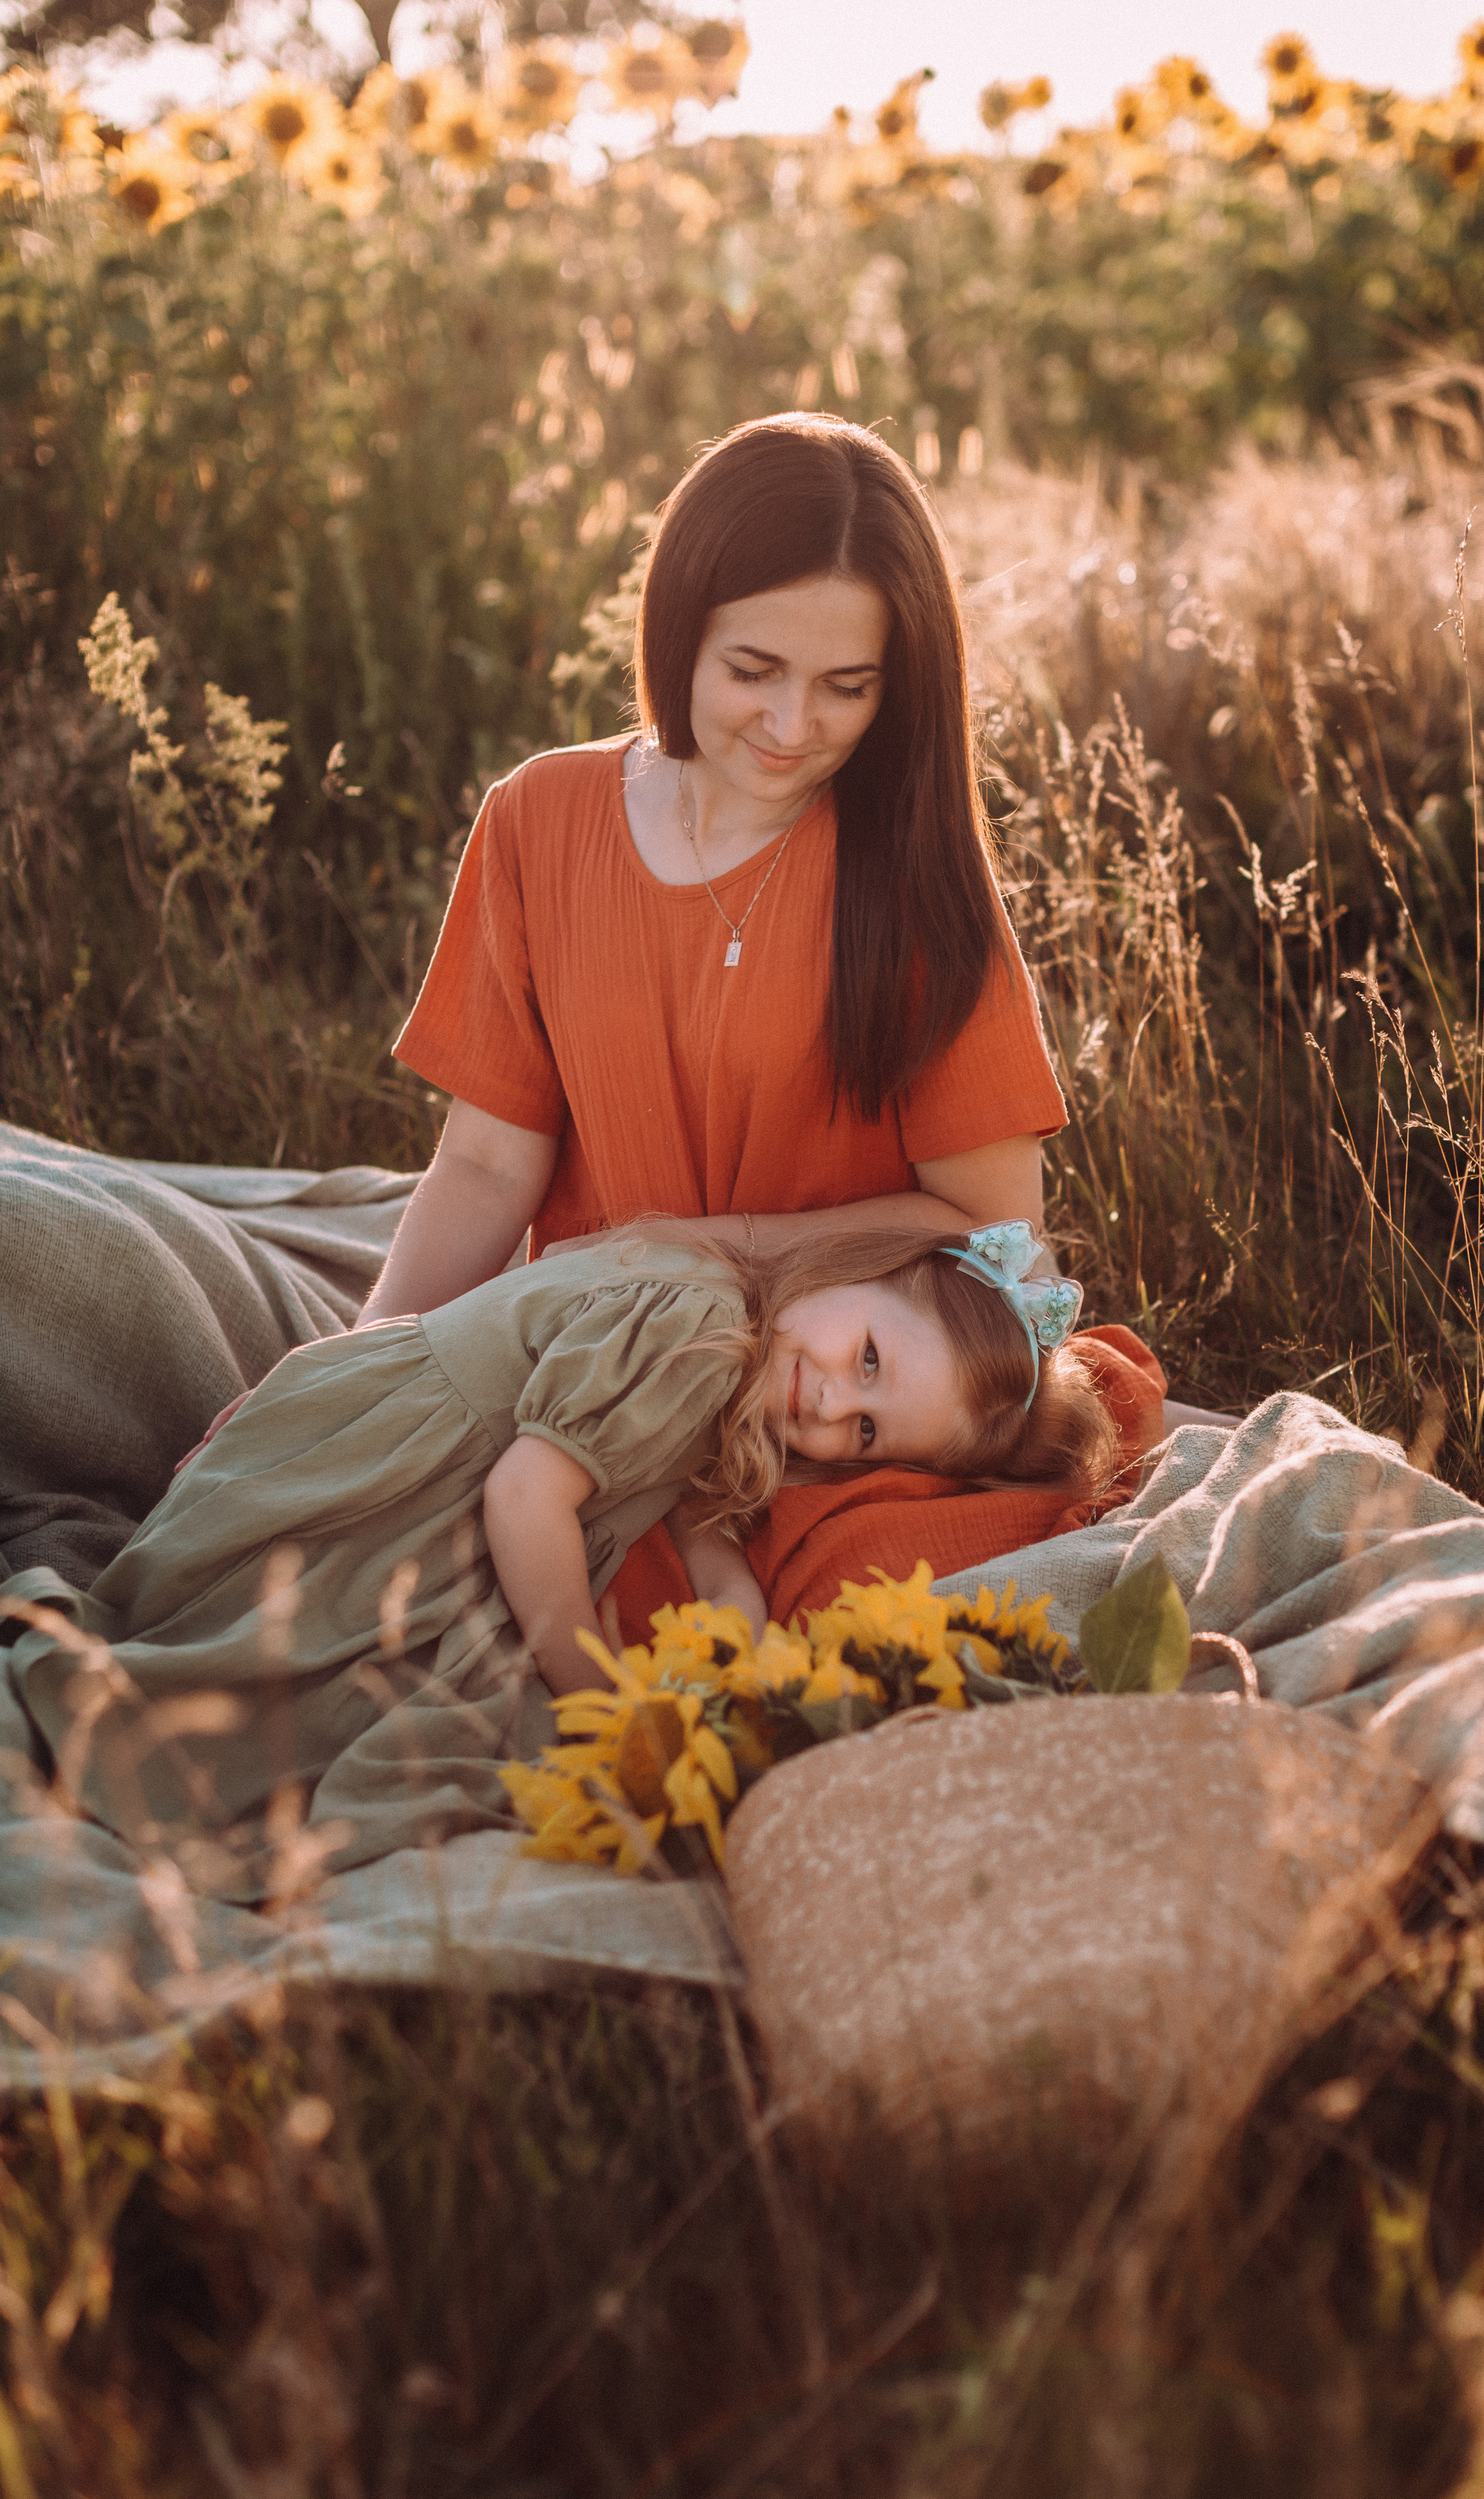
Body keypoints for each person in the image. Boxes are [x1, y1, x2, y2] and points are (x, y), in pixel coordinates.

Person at [3, 1223, 1111, 1903]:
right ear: (858, 1272)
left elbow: (704, 1540)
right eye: (865, 1356)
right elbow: (525, 1495)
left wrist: (752, 1671)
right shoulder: (699, 1330)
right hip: (374, 1481)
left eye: (868, 1431)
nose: (831, 1403)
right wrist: (598, 1697)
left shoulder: (738, 1374)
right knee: (305, 1713)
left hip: (398, 1477)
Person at [356, 409, 1070, 1326]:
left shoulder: (913, 871)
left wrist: (693, 1252)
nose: (790, 726)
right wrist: (347, 1370)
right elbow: (488, 1167)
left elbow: (1003, 1237)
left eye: (846, 687)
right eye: (753, 670)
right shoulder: (538, 819)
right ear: (680, 626)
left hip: (829, 1402)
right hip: (587, 1377)